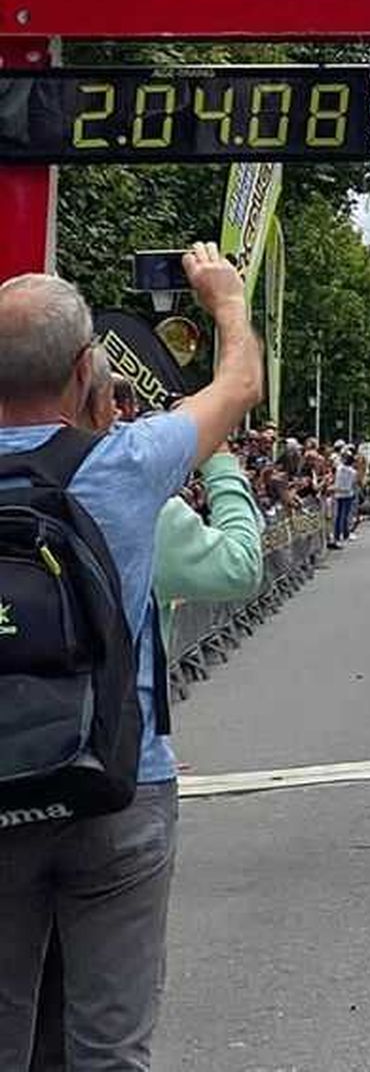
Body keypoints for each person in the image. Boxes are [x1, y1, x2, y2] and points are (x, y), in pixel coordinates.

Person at [0, 244, 261, 1071]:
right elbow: (238, 389)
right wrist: (225, 304)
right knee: (109, 1046)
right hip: (117, 777)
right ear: (85, 372)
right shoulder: (123, 464)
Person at [331, 448, 359, 546]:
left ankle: (337, 535)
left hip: (338, 493)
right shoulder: (353, 472)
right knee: (345, 515)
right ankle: (346, 533)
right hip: (348, 494)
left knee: (338, 516)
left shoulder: (339, 468)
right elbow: (354, 483)